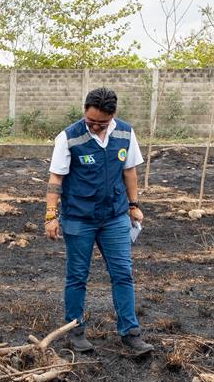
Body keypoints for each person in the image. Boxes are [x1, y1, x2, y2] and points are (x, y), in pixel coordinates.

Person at [44, 87, 153, 356]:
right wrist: (50, 215)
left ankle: (130, 333)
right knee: (77, 276)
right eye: (90, 121)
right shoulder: (68, 137)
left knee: (122, 273)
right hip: (79, 219)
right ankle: (75, 330)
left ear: (112, 116)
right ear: (85, 111)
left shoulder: (125, 133)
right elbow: (56, 179)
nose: (94, 127)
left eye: (100, 123)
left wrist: (133, 205)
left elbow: (129, 171)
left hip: (114, 217)